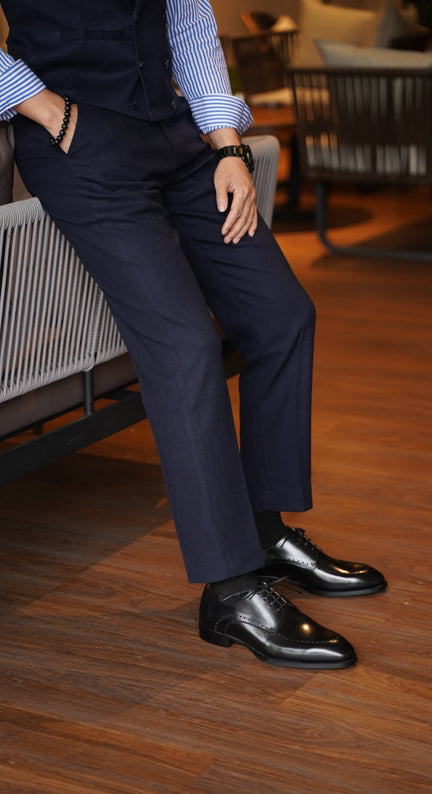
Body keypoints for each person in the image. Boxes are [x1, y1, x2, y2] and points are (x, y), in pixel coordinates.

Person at [0, 0, 386, 670]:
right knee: (184, 348)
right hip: (80, 144)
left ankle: (263, 533)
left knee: (281, 316)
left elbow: (186, 21)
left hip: (176, 135)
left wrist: (226, 145)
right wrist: (42, 107)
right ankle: (230, 591)